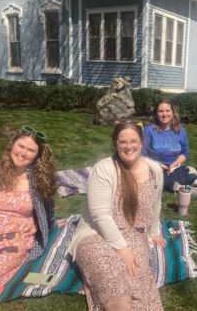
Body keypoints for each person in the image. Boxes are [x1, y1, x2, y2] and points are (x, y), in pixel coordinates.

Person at [67, 122, 166, 311]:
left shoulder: (154, 170)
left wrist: (152, 232)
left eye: (134, 141)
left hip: (136, 236)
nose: (129, 146)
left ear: (142, 142)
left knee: (137, 288)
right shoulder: (104, 168)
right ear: (115, 143)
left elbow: (156, 204)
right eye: (123, 142)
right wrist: (124, 250)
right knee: (116, 290)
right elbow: (100, 215)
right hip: (96, 234)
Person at [0, 125, 65, 298]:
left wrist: (51, 224)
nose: (23, 153)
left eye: (30, 150)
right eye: (21, 146)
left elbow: (48, 210)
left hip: (15, 239)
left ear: (37, 154)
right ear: (12, 144)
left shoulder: (39, 180)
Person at [141, 98, 197, 198]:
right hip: (153, 168)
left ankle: (164, 183)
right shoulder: (148, 131)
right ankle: (179, 188)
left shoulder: (180, 130)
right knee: (151, 174)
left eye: (167, 110)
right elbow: (141, 155)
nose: (164, 114)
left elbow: (185, 152)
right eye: (161, 111)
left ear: (172, 112)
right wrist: (159, 166)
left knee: (194, 172)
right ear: (156, 113)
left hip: (174, 169)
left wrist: (174, 164)